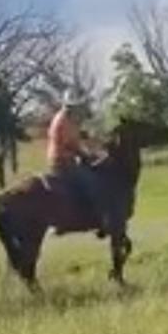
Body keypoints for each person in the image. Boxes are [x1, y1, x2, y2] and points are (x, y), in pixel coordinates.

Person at [47, 89, 110, 232]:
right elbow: (71, 145)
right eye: (77, 107)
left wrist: (90, 139)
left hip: (62, 159)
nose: (79, 110)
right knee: (92, 182)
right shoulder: (64, 121)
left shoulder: (67, 119)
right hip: (63, 161)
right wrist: (89, 155)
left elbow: (77, 136)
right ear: (70, 107)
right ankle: (99, 219)